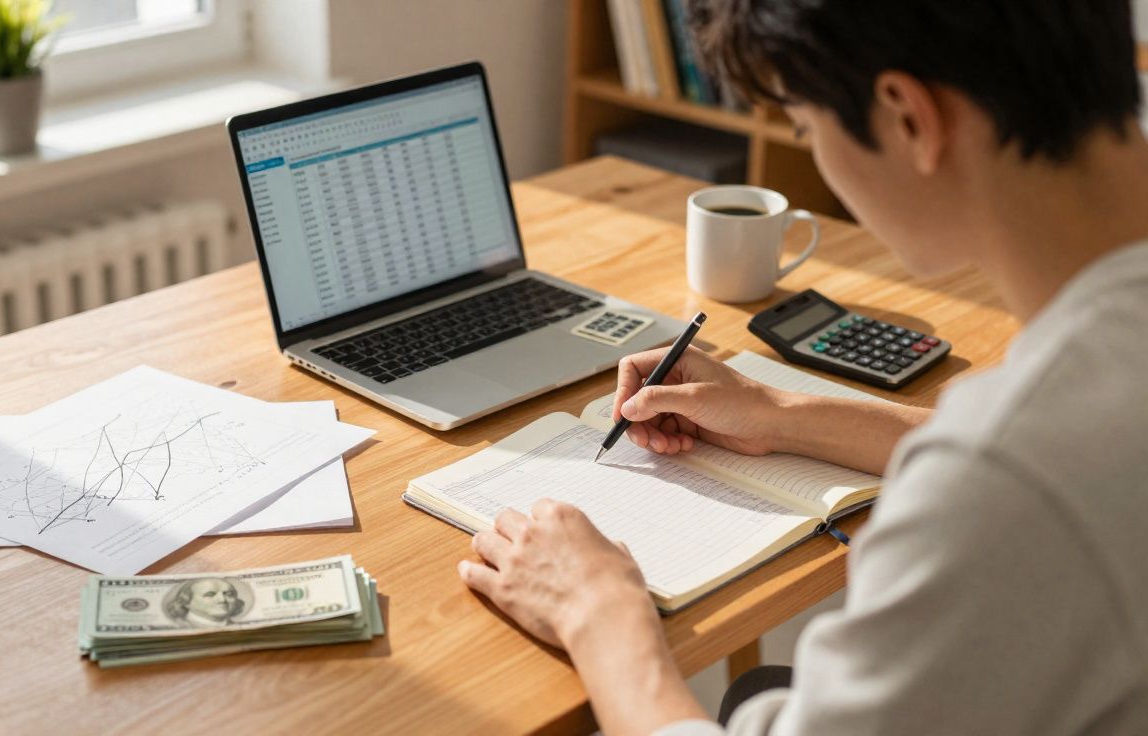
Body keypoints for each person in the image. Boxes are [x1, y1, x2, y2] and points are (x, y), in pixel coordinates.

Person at [456, 0, 1148, 733]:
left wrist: (599, 611)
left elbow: (1018, 468)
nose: (814, 154)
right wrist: (782, 415)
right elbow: (1059, 447)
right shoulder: (1073, 407)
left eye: (806, 129)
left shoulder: (1001, 483)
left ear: (908, 118)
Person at [164, 578, 245, 627]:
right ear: (186, 602)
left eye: (229, 594)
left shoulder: (238, 626)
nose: (222, 600)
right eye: (210, 594)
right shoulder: (179, 625)